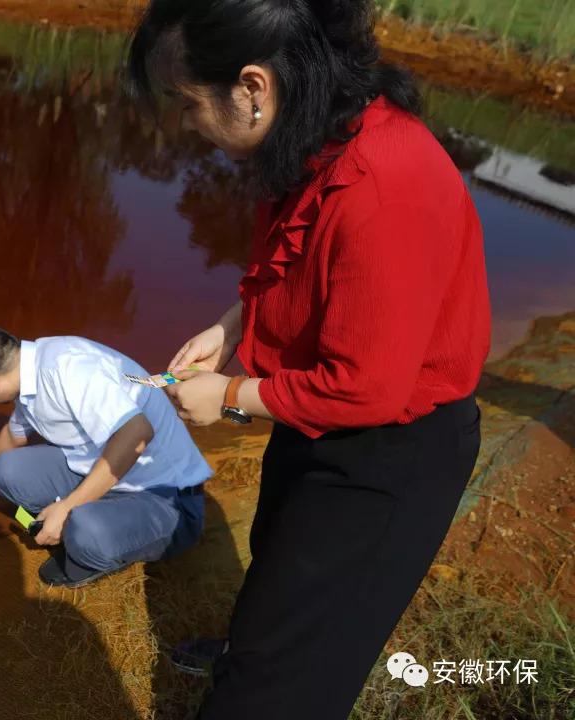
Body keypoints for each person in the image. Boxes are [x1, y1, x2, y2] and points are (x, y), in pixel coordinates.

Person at [127, 0, 490, 718]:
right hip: (321, 417)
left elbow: (368, 389)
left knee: (288, 678)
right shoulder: (319, 133)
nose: (185, 123)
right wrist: (234, 327)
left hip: (389, 455)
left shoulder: (382, 183)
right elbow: (307, 267)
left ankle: (262, 678)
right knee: (278, 567)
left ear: (253, 87)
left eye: (187, 101)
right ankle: (252, 649)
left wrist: (229, 397)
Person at [0, 319, 211, 588]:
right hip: (104, 472)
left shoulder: (70, 370)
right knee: (5, 472)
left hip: (165, 497)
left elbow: (137, 433)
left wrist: (68, 506)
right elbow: (16, 432)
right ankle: (76, 522)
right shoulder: (29, 368)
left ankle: (91, 548)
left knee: (85, 531)